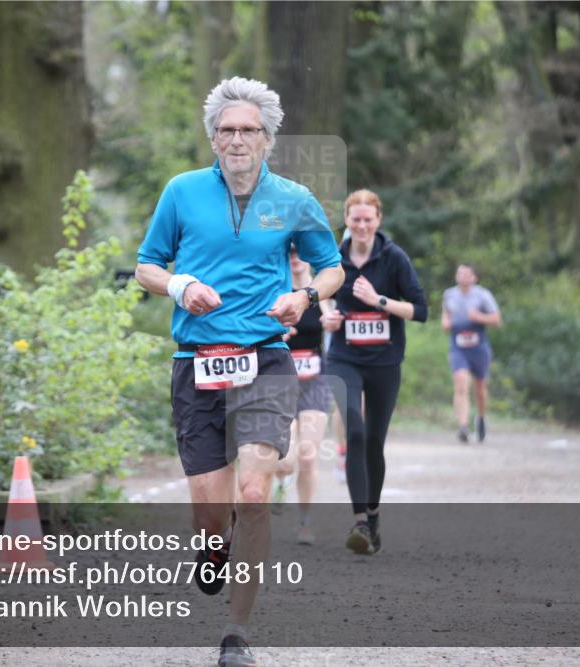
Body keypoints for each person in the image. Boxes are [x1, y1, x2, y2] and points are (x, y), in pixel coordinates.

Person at [134, 76, 343, 667]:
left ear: (267, 139)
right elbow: (147, 265)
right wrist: (182, 284)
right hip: (194, 363)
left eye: (248, 130)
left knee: (253, 493)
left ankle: (237, 632)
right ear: (213, 139)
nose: (237, 139)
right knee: (210, 513)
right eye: (226, 130)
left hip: (265, 361)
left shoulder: (295, 199)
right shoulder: (181, 192)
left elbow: (331, 270)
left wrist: (303, 299)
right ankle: (210, 548)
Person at [321, 189, 428, 555]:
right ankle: (360, 523)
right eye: (355, 220)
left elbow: (421, 310)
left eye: (368, 220)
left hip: (384, 362)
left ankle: (374, 513)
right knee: (354, 430)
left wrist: (379, 301)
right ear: (347, 222)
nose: (362, 226)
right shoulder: (334, 258)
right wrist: (327, 314)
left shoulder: (394, 258)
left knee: (374, 443)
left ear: (378, 221)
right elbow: (317, 292)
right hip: (343, 359)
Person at [273, 245, 333, 545]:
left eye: (300, 251)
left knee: (309, 454)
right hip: (279, 383)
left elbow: (339, 335)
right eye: (290, 252)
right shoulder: (275, 290)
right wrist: (277, 335)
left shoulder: (323, 294)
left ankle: (305, 521)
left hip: (314, 382)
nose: (295, 257)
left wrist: (335, 325)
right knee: (284, 461)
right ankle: (281, 482)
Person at [441, 263, 502, 443]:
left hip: (478, 344)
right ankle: (463, 426)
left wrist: (479, 317)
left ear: (474, 278)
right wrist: (445, 322)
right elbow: (446, 314)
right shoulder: (449, 294)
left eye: (467, 274)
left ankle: (481, 418)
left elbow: (497, 319)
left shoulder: (483, 295)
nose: (463, 277)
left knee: (480, 388)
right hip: (458, 344)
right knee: (460, 383)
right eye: (460, 273)